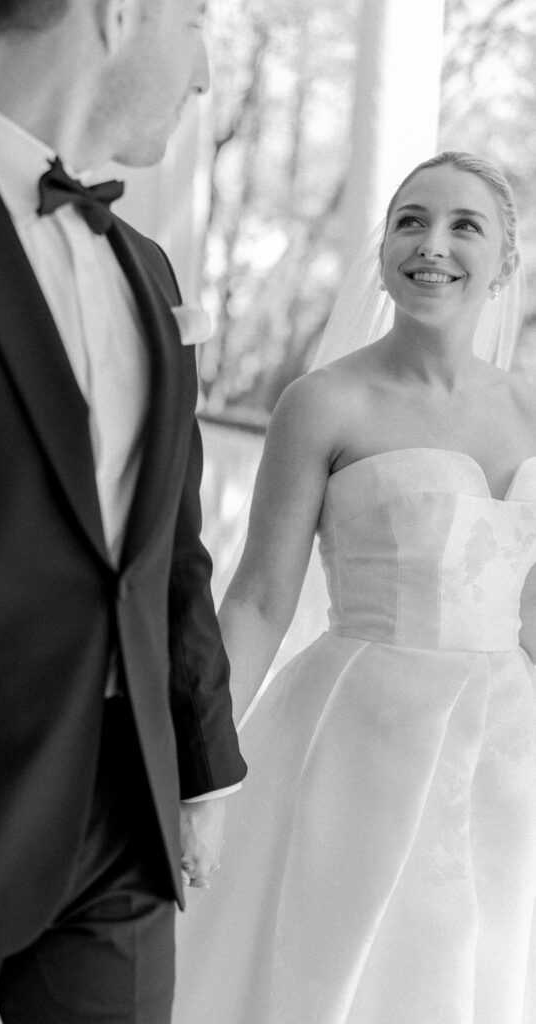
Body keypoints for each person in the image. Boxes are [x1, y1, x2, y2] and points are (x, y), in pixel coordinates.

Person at [0, 2, 246, 1023]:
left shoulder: (148, 269)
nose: (205, 72)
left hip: (124, 839)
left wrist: (199, 765)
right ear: (120, 15)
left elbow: (169, 549)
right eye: (196, 20)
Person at [173, 152, 536, 1024]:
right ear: (381, 251)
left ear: (506, 265)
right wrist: (196, 770)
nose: (431, 245)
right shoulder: (324, 403)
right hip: (354, 741)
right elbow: (259, 597)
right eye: (409, 221)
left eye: (462, 226)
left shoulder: (531, 410)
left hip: (508, 759)